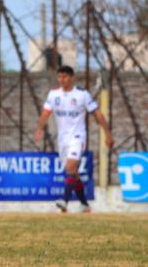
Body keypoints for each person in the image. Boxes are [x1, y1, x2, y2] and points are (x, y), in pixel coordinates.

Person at [35, 65, 113, 213]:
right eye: (60, 77)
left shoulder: (82, 95)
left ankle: (64, 200)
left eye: (65, 76)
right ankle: (84, 204)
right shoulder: (53, 95)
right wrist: (40, 128)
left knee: (71, 167)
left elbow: (98, 114)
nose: (62, 80)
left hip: (78, 137)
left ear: (72, 78)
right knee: (73, 173)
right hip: (62, 140)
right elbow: (45, 113)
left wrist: (107, 134)